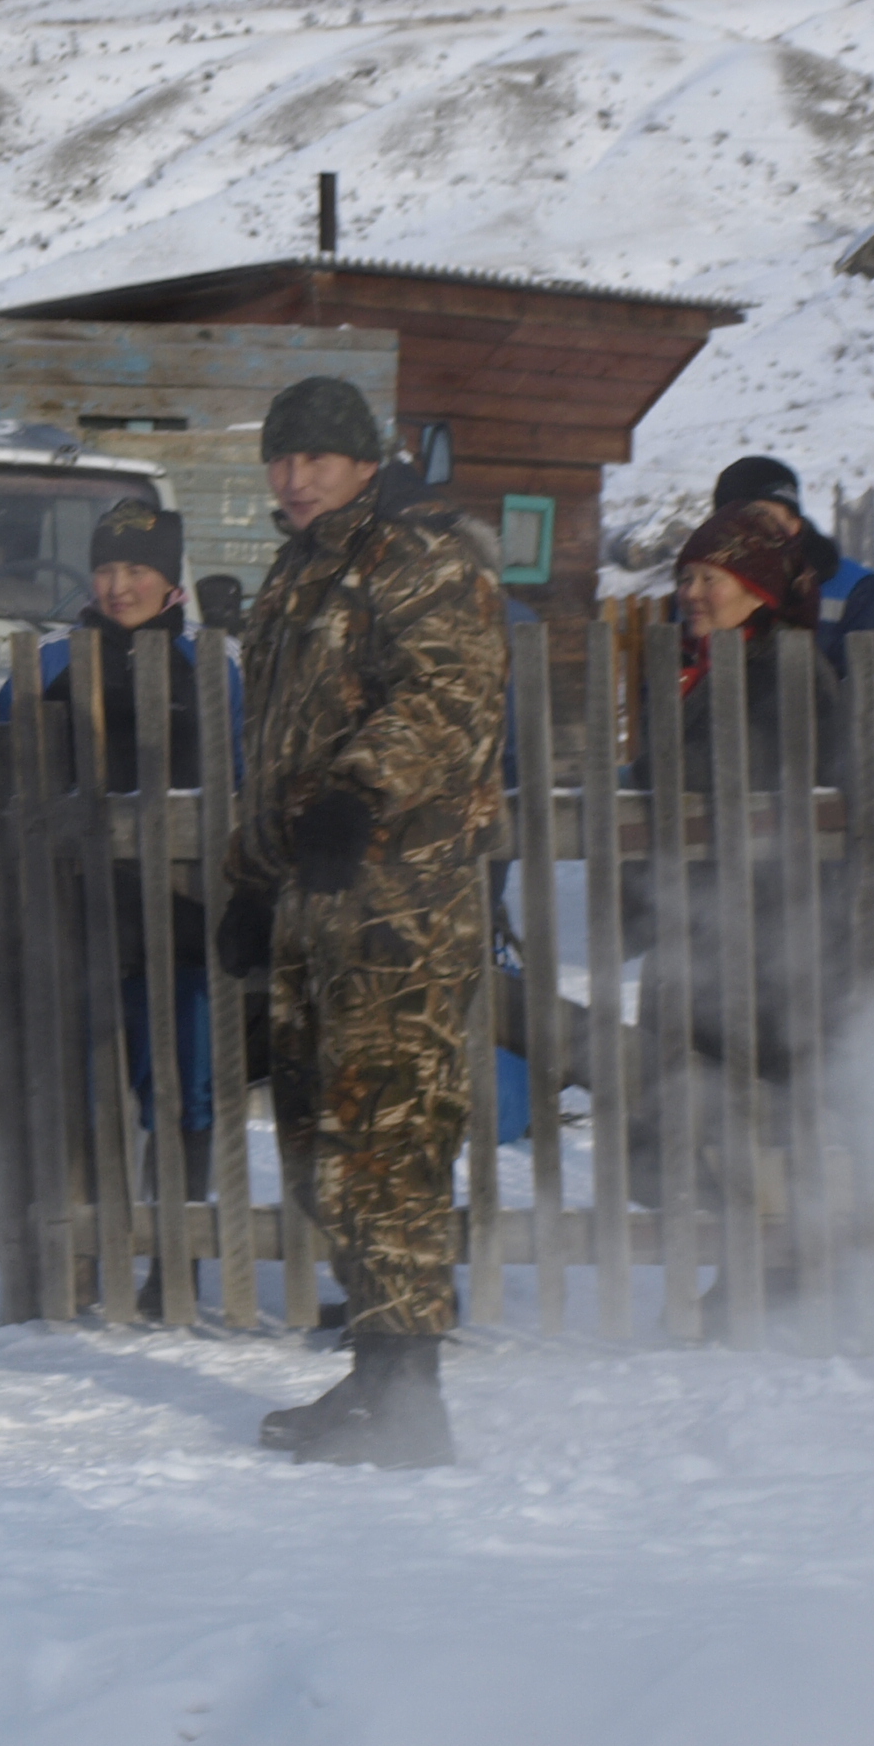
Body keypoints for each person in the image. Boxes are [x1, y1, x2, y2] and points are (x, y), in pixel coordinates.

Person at [217, 376, 506, 1468]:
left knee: (388, 1144)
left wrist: (359, 793)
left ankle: (409, 1400)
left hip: (399, 907)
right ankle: (377, 1372)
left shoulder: (418, 565)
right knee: (322, 1150)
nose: (294, 477)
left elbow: (445, 698)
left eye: (318, 459)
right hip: (312, 903)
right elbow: (274, 760)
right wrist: (252, 879)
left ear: (365, 466)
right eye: (280, 457)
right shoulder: (291, 581)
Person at [626, 502, 845, 1278]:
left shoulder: (786, 676)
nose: (690, 591)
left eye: (708, 577)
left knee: (748, 1114)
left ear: (755, 588)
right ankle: (739, 1278)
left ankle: (768, 1282)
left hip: (764, 939)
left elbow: (769, 800)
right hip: (700, 936)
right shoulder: (701, 669)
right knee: (694, 1115)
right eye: (685, 575)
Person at [10, 500, 233, 1221]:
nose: (117, 586)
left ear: (170, 580)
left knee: (184, 1084)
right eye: (105, 567)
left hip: (188, 922)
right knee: (86, 1084)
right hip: (78, 921)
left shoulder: (211, 666)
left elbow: (247, 773)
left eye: (137, 568)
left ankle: (173, 1251)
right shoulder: (50, 661)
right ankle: (88, 1245)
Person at [712, 454, 874, 672]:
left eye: (768, 517)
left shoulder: (860, 591)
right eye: (743, 518)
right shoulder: (695, 592)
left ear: (795, 523)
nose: (757, 529)